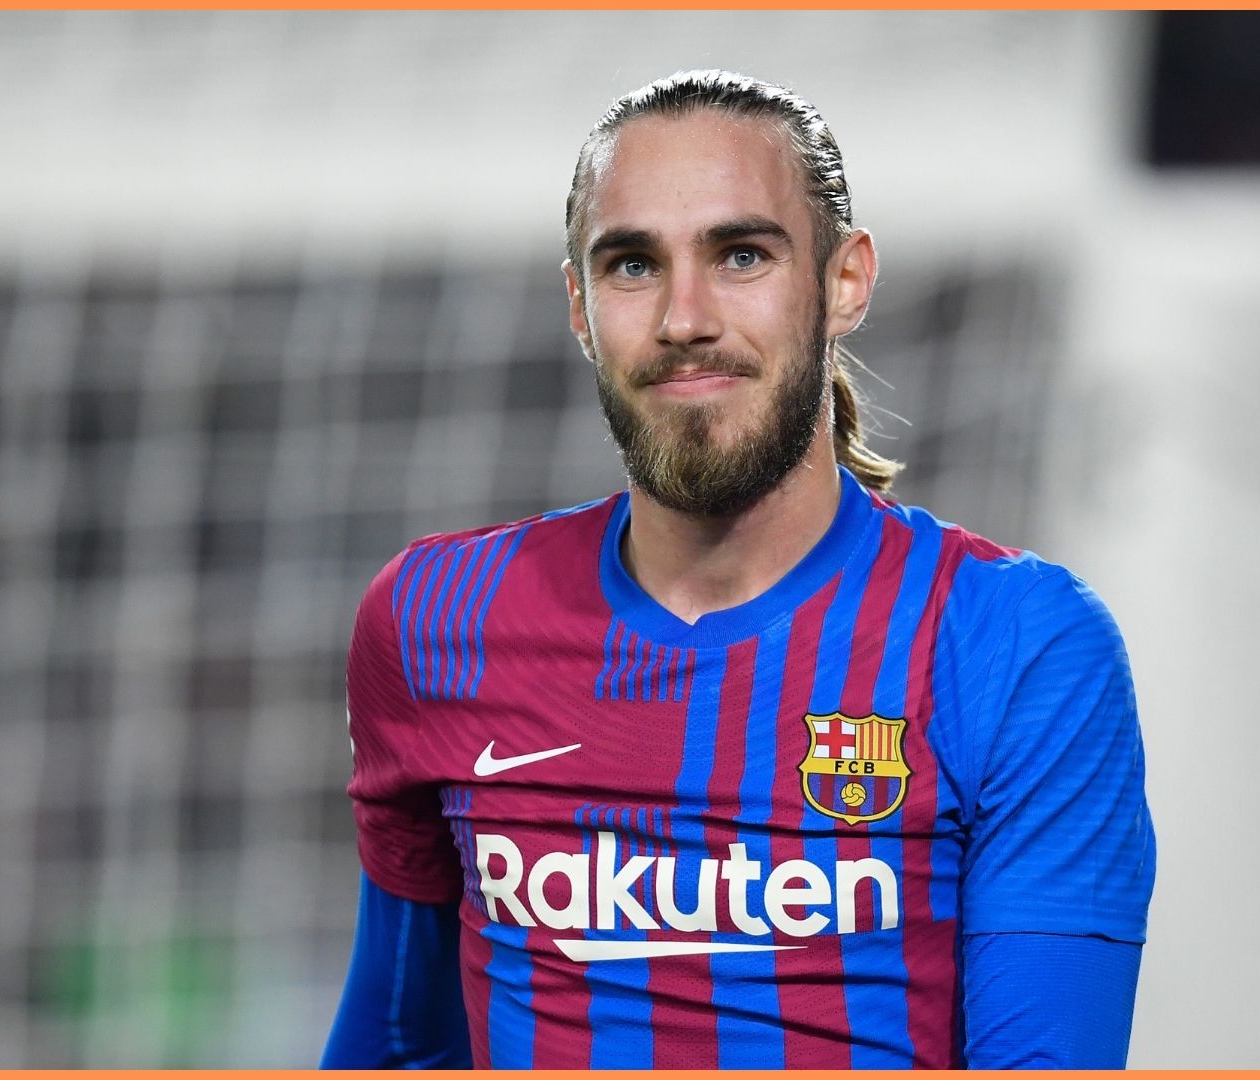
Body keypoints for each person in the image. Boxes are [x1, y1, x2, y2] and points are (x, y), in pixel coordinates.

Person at [321, 69, 1154, 1069]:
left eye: (742, 255)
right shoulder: (433, 620)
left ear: (845, 282)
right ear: (580, 304)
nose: (685, 318)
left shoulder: (1014, 644)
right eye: (633, 264)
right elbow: (395, 1043)